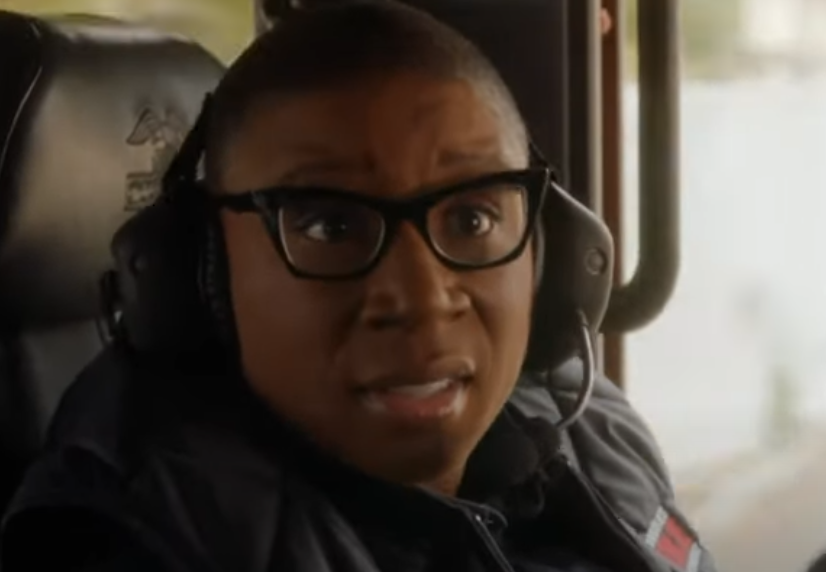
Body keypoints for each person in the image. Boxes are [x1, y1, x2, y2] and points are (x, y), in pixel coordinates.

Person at [0, 2, 716, 572]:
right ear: (202, 274)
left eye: (472, 218)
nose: (421, 297)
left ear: (550, 251)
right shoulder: (130, 544)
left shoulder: (590, 429)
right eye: (331, 226)